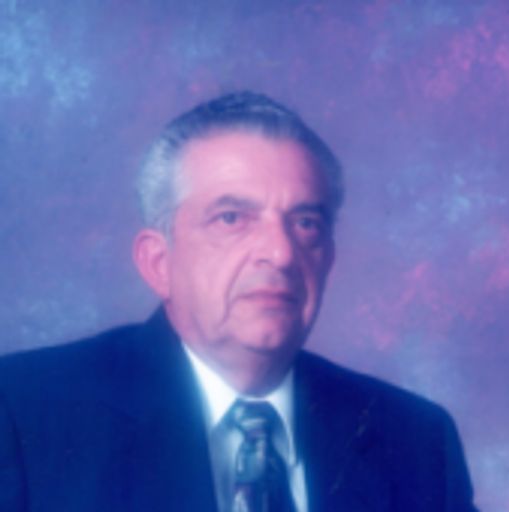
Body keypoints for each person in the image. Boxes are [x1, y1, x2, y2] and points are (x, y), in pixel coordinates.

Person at [0, 91, 478, 511]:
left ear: (328, 258)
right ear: (158, 263)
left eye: (305, 223)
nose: (281, 252)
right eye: (231, 218)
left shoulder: (415, 440)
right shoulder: (23, 413)